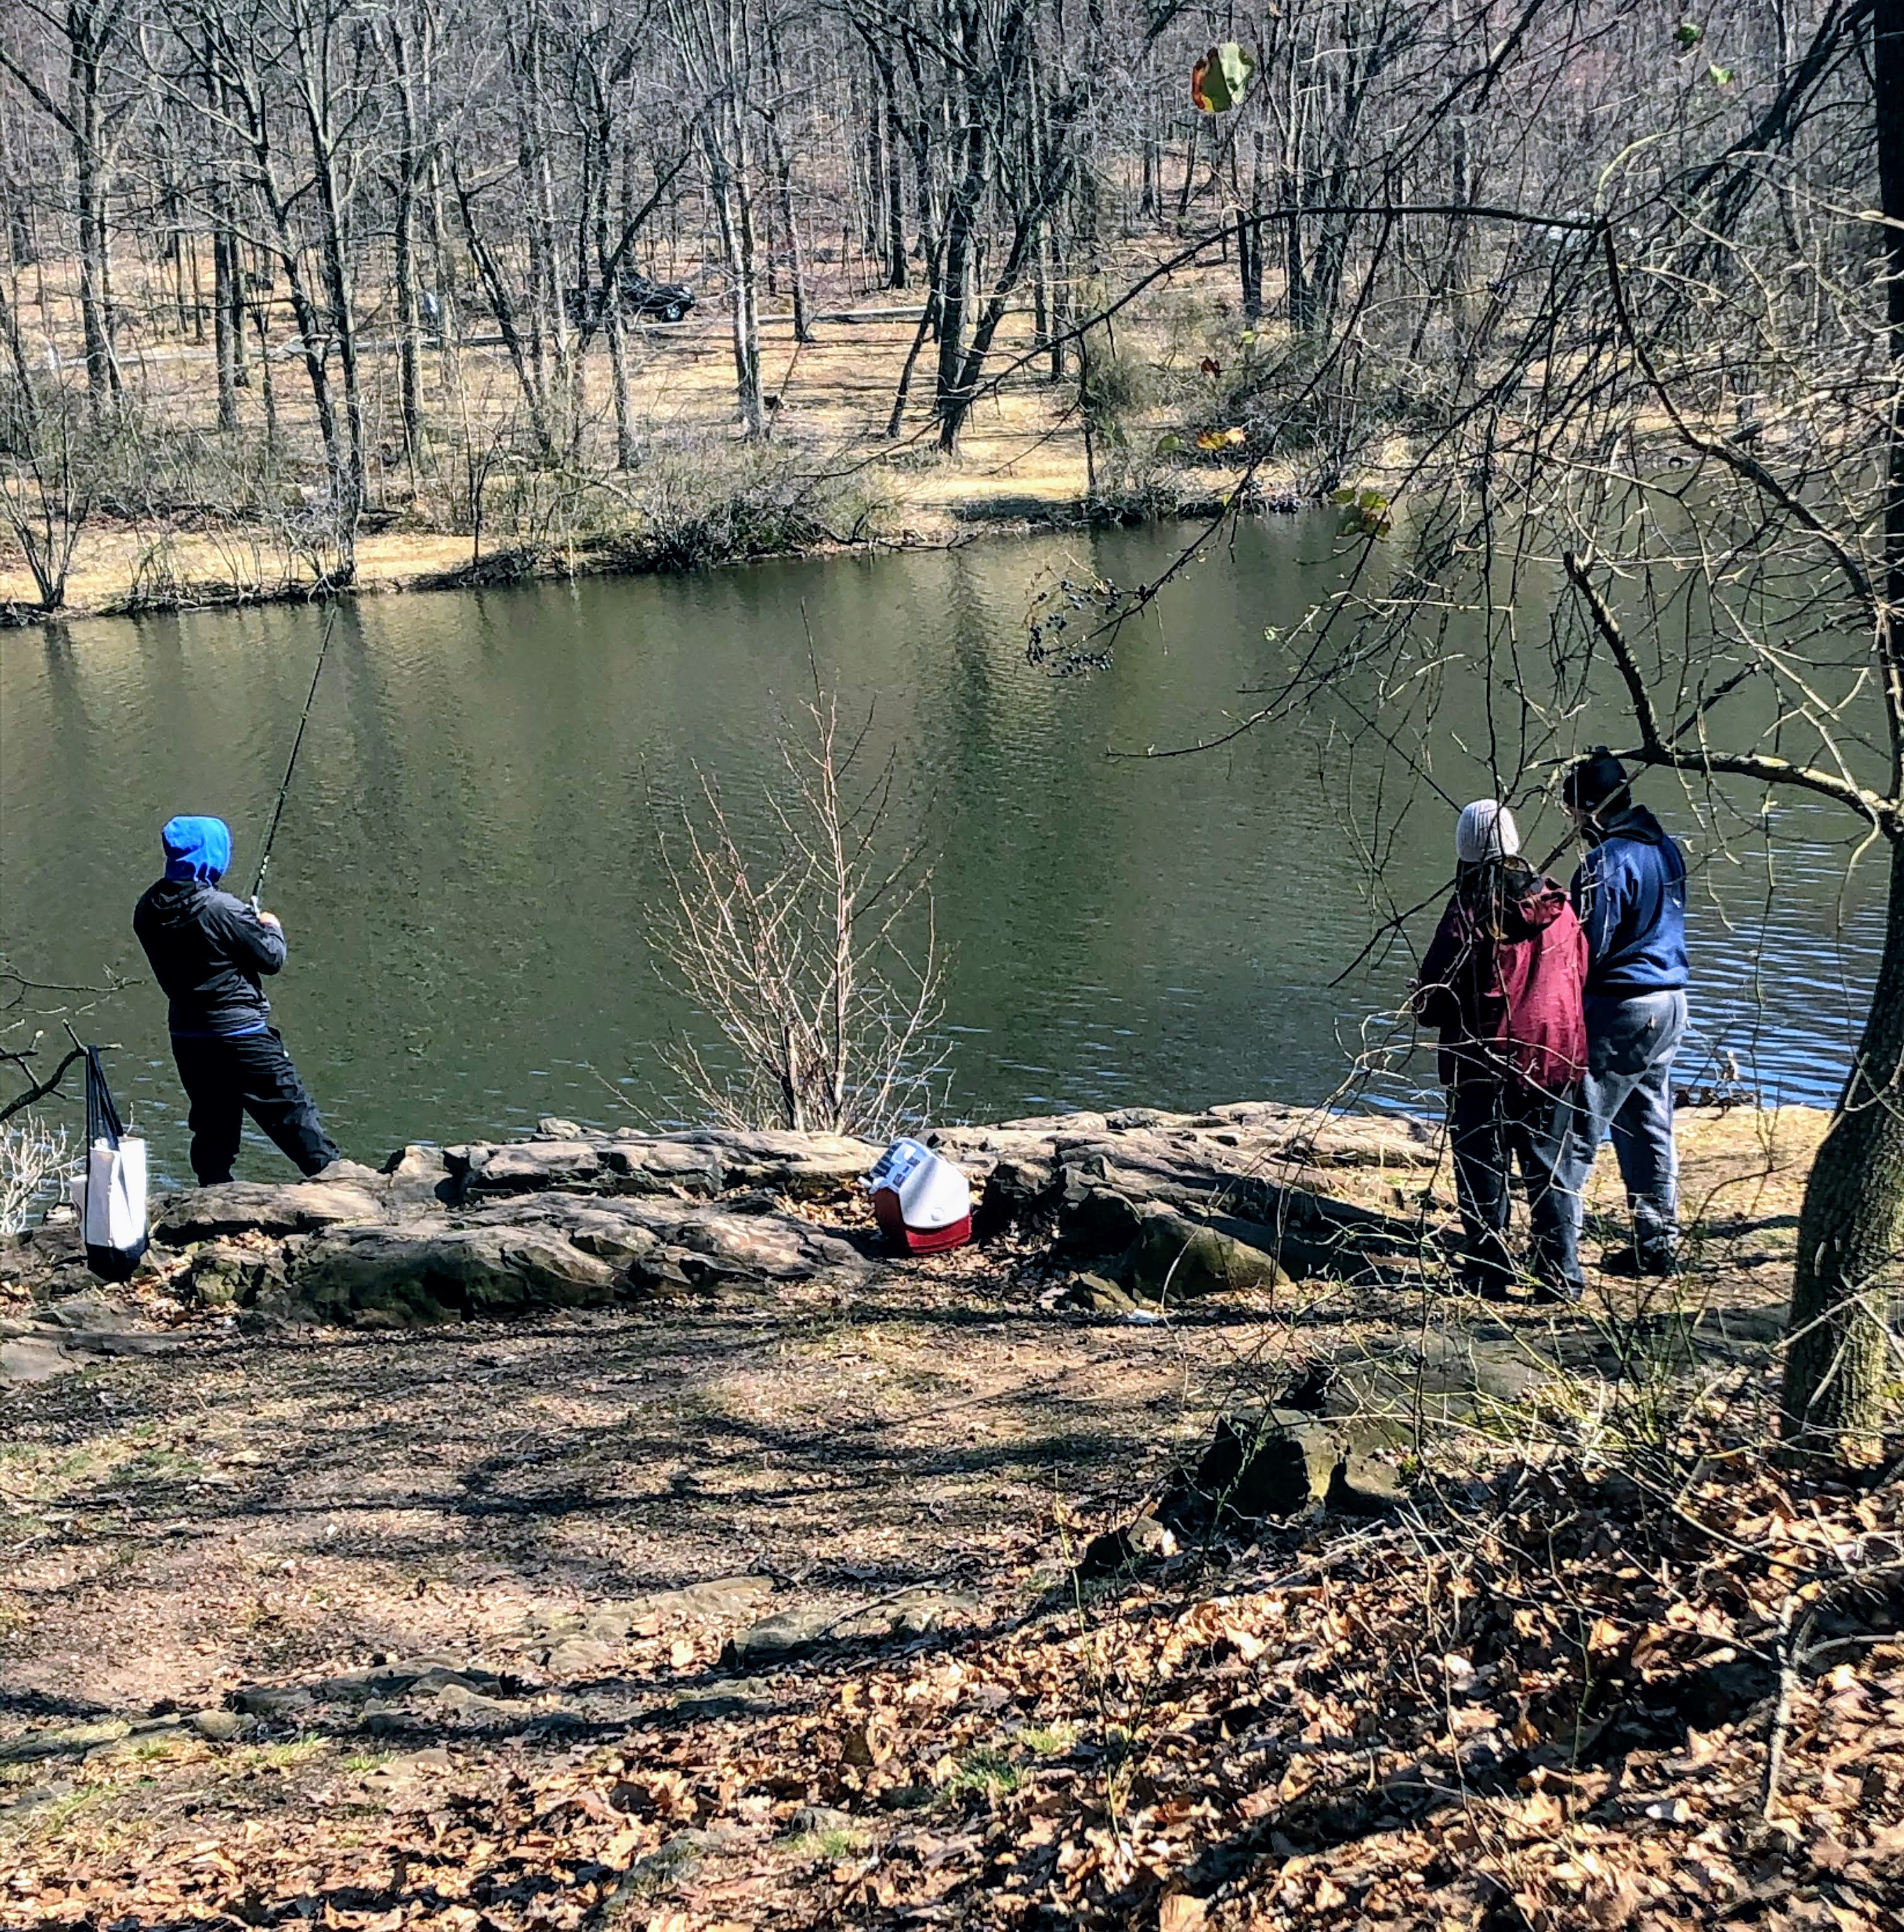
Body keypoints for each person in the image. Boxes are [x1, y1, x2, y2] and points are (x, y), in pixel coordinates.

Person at [1413, 800, 1589, 1302]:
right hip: (1554, 1057)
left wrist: (1422, 999)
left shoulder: (1470, 913)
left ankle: (1488, 1271)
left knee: (1482, 1166)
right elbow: (1580, 970)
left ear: (1465, 852)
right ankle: (1561, 1275)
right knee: (1548, 1169)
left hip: (1485, 1061)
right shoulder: (1561, 907)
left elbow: (1434, 999)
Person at [133, 815, 341, 1187]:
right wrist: (269, 925)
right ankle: (340, 1188)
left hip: (187, 1035)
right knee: (293, 1112)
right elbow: (271, 958)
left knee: (213, 1123)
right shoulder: (223, 908)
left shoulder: (147, 908)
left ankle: (211, 1194)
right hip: (241, 1035)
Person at [1551, 749, 1689, 1275]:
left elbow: (1586, 950)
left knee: (1575, 1131)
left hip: (1623, 1009)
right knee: (1648, 1124)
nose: (1572, 823)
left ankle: (1559, 1258)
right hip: (1671, 1002)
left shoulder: (1605, 864)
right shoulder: (1666, 848)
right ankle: (1657, 1244)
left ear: (1589, 808)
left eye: (1573, 811)